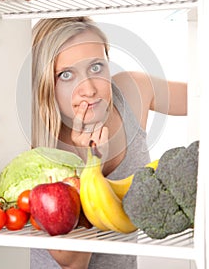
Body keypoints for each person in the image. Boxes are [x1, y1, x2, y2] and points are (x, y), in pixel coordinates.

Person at [30, 16, 187, 269]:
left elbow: (200, 95)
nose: (89, 89)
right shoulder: (39, 149)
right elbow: (74, 263)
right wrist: (88, 163)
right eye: (67, 74)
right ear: (45, 82)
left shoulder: (132, 91)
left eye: (96, 67)